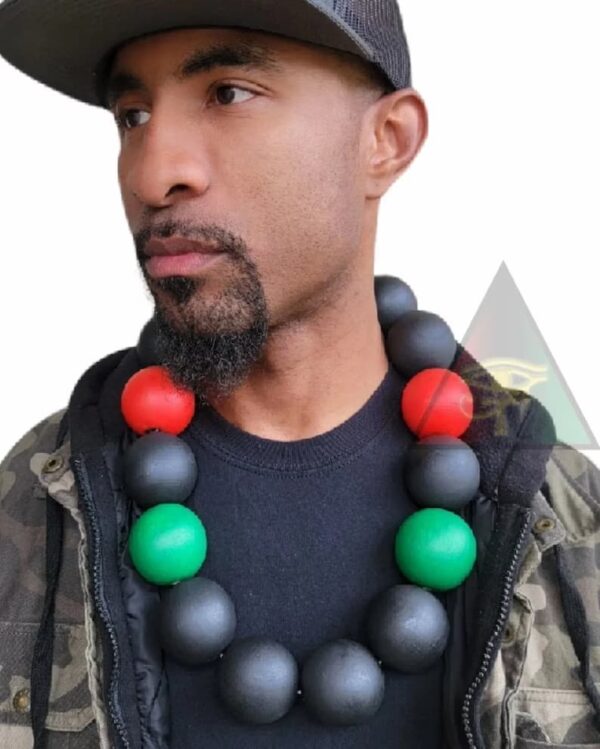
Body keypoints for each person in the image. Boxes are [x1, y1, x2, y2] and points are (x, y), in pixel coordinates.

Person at [0, 1, 599, 748]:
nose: (154, 174)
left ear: (386, 141)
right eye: (133, 115)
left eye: (228, 93)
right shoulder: (31, 507)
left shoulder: (567, 519)